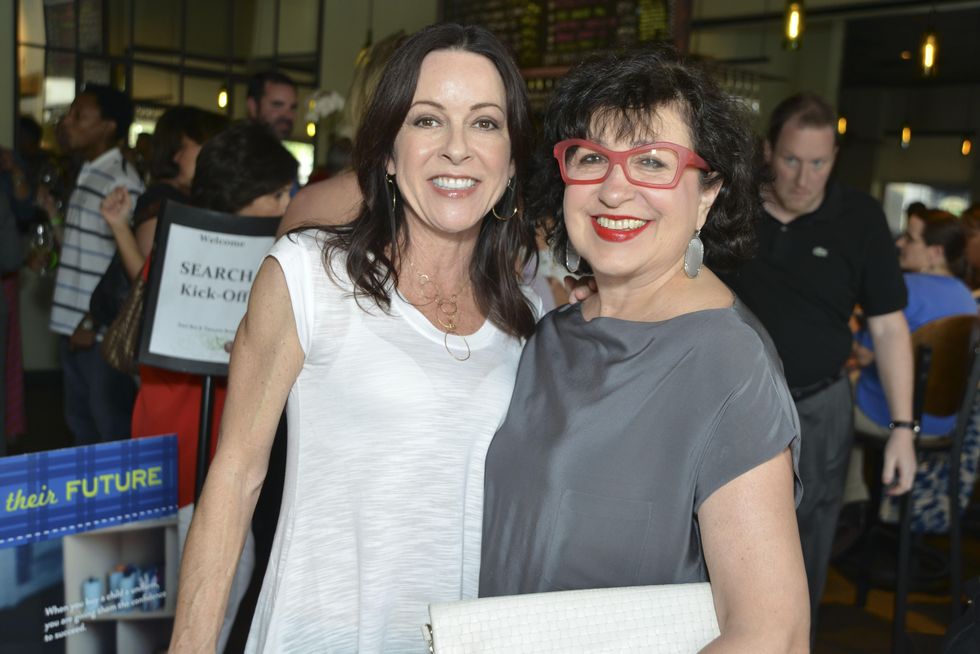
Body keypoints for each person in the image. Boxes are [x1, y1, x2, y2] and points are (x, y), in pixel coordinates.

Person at [170, 24, 539, 652]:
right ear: (388, 152)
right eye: (427, 120)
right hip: (321, 634)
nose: (457, 148)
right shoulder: (309, 275)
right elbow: (235, 477)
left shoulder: (524, 317)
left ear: (510, 161)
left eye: (484, 123)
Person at [479, 47, 809, 650]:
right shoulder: (551, 337)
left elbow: (772, 634)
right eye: (591, 158)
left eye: (652, 162)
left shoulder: (727, 364)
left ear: (707, 193)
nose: (614, 190)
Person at [718, 92, 916, 636]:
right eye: (790, 160)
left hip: (819, 405)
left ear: (834, 159)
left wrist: (903, 428)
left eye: (818, 163)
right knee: (718, 540)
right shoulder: (730, 207)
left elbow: (889, 328)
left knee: (807, 546)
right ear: (767, 151)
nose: (804, 179)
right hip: (731, 406)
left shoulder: (860, 218)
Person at [853, 210, 978, 531]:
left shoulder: (903, 289)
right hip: (943, 422)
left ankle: (850, 503)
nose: (899, 243)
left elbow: (863, 355)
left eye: (910, 238)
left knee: (827, 400)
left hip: (891, 418)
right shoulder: (968, 298)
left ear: (935, 253)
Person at [49, 84, 144, 446]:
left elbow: (126, 262)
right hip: (72, 323)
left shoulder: (121, 180)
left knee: (109, 433)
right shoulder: (90, 171)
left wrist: (92, 322)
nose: (67, 123)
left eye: (79, 116)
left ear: (107, 126)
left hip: (98, 332)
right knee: (82, 430)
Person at [246, 70, 298, 141]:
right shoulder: (235, 146)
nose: (288, 115)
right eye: (277, 105)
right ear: (253, 106)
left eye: (292, 108)